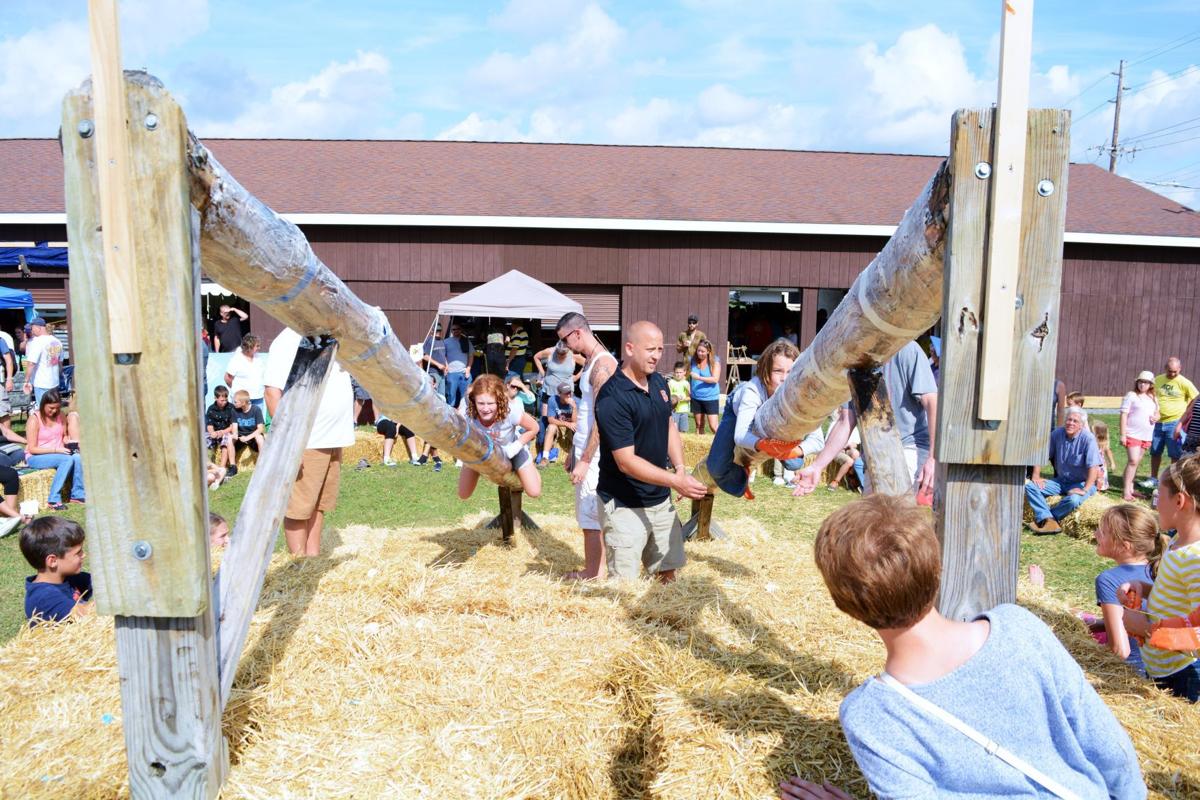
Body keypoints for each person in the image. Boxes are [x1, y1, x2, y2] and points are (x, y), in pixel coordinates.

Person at [779, 493, 1145, 800]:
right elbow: (1111, 749)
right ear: (936, 568)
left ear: (846, 605)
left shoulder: (870, 716)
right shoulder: (1019, 627)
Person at [595, 321, 708, 583]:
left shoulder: (659, 382)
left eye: (659, 349)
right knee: (625, 584)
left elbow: (668, 424)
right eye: (650, 349)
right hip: (624, 504)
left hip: (659, 499)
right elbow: (626, 462)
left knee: (668, 574)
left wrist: (680, 469)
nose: (656, 355)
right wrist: (675, 481)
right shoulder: (613, 397)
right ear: (630, 348)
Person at [791, 341, 938, 499]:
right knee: (872, 518)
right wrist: (817, 466)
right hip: (873, 454)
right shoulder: (851, 362)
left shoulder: (906, 349)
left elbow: (932, 402)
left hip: (908, 448)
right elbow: (845, 421)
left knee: (891, 518)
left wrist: (933, 457)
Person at [263, 329, 355, 557]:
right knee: (298, 506)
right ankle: (298, 563)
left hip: (332, 436)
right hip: (307, 438)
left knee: (319, 503)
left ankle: (312, 560)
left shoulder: (331, 334)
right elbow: (272, 393)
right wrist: (289, 443)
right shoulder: (287, 339)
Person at [1124, 456, 1200, 701]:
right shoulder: (1178, 543)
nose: (1155, 505)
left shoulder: (1194, 559)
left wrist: (1145, 629)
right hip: (1163, 666)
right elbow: (1176, 595)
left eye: (1159, 496)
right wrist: (1144, 590)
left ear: (1179, 501)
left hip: (1183, 673)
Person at [555, 311, 618, 581]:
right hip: (586, 450)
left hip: (597, 455)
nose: (565, 347)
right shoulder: (592, 361)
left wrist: (586, 459)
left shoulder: (603, 365)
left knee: (591, 516)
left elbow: (603, 418)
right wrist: (574, 451)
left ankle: (593, 573)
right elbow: (586, 412)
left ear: (577, 332)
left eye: (566, 340)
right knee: (588, 515)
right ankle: (597, 570)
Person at [705, 338, 802, 498]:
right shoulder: (752, 391)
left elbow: (818, 439)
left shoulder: (795, 390)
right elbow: (740, 436)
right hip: (736, 411)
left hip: (770, 414)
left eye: (790, 372)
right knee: (715, 467)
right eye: (778, 371)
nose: (785, 378)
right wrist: (765, 444)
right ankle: (741, 477)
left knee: (795, 462)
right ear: (765, 370)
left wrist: (800, 449)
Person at [1080, 504, 1159, 676]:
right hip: (1165, 670)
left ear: (1124, 546)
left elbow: (1120, 651)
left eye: (1103, 532)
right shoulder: (1159, 571)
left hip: (1133, 674)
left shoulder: (1108, 580)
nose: (1095, 534)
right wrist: (1099, 624)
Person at [457, 374, 541, 500]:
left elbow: (534, 427)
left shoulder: (511, 411)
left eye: (490, 403)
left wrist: (516, 447)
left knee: (534, 492)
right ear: (473, 400)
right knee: (463, 494)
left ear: (499, 401)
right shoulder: (468, 414)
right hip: (481, 451)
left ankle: (532, 469)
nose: (485, 409)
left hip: (511, 448)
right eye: (481, 403)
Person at [1026, 407, 1103, 534]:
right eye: (1069, 419)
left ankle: (1047, 518)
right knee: (1030, 486)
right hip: (1061, 482)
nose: (1070, 423)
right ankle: (1049, 519)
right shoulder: (1057, 434)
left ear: (1082, 425)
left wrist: (1085, 489)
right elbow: (1041, 455)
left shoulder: (1088, 439)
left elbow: (1093, 467)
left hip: (1082, 483)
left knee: (1073, 500)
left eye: (1075, 421)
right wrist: (1036, 476)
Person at [21, 516, 93, 624]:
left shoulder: (69, 578)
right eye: (78, 553)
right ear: (52, 561)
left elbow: (102, 582)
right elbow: (88, 616)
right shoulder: (44, 598)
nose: (84, 555)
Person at [25, 389, 85, 511]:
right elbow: (32, 448)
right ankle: (53, 499)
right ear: (43, 405)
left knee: (78, 457)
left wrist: (67, 441)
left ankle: (78, 495)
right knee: (66, 460)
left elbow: (64, 436)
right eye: (51, 408)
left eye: (57, 408)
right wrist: (56, 449)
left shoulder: (61, 415)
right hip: (36, 456)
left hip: (59, 452)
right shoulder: (34, 420)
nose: (54, 411)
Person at [1151, 357, 1198, 480]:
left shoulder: (1185, 382)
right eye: (1169, 371)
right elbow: (1151, 395)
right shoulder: (1158, 380)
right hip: (1158, 423)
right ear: (1165, 368)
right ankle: (1153, 478)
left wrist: (1187, 411)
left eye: (1175, 371)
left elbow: (1195, 397)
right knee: (1155, 451)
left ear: (1180, 369)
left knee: (1175, 453)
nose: (1172, 374)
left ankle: (1173, 479)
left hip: (1174, 422)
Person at [1120, 370, 1160, 500]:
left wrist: (1156, 417)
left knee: (1136, 462)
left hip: (1146, 435)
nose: (1143, 385)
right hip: (1132, 433)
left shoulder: (1153, 397)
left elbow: (1158, 413)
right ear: (1137, 382)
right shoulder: (1131, 395)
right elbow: (1124, 414)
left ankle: (1131, 488)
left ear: (1151, 385)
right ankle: (1126, 491)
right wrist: (1123, 434)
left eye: (1146, 383)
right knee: (1133, 461)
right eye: (1141, 382)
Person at [22, 317, 62, 405]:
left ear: (38, 327)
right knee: (53, 409)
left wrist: (26, 381)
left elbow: (31, 363)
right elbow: (60, 363)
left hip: (41, 383)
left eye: (32, 328)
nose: (31, 331)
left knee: (43, 411)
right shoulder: (57, 341)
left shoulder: (37, 342)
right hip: (54, 382)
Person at [539, 382, 576, 467]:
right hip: (559, 426)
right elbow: (551, 420)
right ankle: (545, 458)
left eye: (569, 392)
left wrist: (574, 407)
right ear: (559, 394)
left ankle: (573, 456)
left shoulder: (576, 401)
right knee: (551, 427)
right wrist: (566, 424)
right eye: (566, 393)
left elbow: (575, 422)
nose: (569, 395)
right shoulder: (552, 400)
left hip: (571, 428)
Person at [224, 333, 265, 411]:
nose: (259, 348)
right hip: (241, 400)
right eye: (257, 346)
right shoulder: (237, 359)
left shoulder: (258, 358)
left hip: (258, 397)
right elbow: (227, 378)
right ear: (250, 347)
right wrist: (237, 390)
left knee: (258, 422)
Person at [688, 339, 721, 434]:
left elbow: (715, 379)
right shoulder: (693, 360)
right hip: (696, 397)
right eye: (698, 350)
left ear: (708, 351)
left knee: (713, 426)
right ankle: (699, 446)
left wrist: (698, 378)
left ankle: (722, 446)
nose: (700, 353)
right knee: (699, 425)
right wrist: (689, 388)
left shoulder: (715, 362)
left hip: (710, 397)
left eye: (702, 351)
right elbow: (689, 376)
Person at [205, 385, 238, 477]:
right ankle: (207, 465)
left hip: (226, 431)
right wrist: (212, 433)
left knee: (226, 441)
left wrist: (222, 432)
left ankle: (222, 467)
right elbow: (209, 425)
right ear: (215, 398)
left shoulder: (231, 408)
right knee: (203, 439)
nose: (224, 402)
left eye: (226, 400)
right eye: (222, 400)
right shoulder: (211, 409)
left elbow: (232, 426)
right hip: (215, 432)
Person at [443, 321, 474, 410]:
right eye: (454, 329)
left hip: (465, 372)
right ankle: (451, 415)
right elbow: (443, 355)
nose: (456, 331)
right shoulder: (446, 342)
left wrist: (468, 368)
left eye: (458, 329)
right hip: (451, 373)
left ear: (461, 330)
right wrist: (446, 366)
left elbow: (471, 355)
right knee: (451, 395)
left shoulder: (466, 341)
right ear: (451, 331)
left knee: (467, 396)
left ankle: (466, 414)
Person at [0, 334, 22, 445]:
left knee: (2, 412)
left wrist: (9, 379)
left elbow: (8, 360)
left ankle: (7, 441)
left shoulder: (1, 340)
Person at [231, 389, 266, 458]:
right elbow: (234, 427)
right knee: (229, 439)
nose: (234, 403)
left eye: (235, 402)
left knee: (260, 438)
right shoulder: (234, 410)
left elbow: (260, 429)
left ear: (243, 403)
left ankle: (261, 463)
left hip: (252, 436)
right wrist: (235, 434)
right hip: (240, 436)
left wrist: (247, 438)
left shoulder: (256, 409)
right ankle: (232, 465)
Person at [1092, 419, 1115, 492]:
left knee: (1100, 476)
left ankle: (1099, 488)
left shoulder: (1103, 442)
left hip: (1100, 464)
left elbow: (1108, 451)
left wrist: (1112, 463)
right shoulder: (1090, 440)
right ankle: (1092, 488)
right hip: (1092, 463)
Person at [667, 361, 690, 433]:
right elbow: (668, 396)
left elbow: (689, 397)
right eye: (677, 372)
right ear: (674, 372)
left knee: (683, 430)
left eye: (680, 372)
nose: (678, 374)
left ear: (684, 372)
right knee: (673, 430)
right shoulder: (671, 382)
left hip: (684, 410)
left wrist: (683, 399)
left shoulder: (686, 383)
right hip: (674, 411)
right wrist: (675, 399)